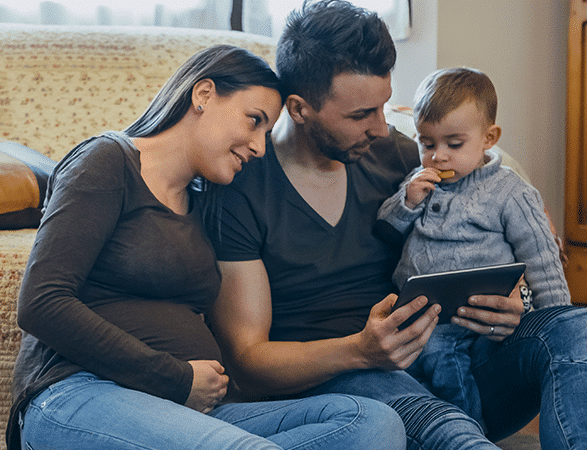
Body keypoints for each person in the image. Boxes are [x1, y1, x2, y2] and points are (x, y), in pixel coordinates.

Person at [207, 1, 587, 449]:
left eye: (383, 107)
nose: (382, 127)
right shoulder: (241, 190)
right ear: (299, 109)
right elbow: (247, 361)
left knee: (583, 326)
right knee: (449, 431)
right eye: (360, 115)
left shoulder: (394, 154)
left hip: (459, 356)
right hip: (350, 377)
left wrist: (521, 300)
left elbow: (493, 183)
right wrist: (359, 350)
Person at [6, 44, 406, 450]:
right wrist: (176, 379)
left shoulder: (207, 198)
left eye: (267, 133)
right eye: (253, 121)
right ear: (204, 95)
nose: (259, 147)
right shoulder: (108, 160)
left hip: (192, 412)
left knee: (372, 422)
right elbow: (41, 303)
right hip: (79, 393)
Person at [376, 67, 571, 427]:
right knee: (406, 366)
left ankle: (466, 431)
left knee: (441, 357)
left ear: (489, 137)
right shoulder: (420, 180)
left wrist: (558, 320)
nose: (439, 157)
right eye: (427, 143)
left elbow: (541, 259)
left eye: (454, 144)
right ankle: (427, 427)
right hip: (417, 307)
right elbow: (386, 228)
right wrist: (407, 200)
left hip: (469, 312)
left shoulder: (510, 192)